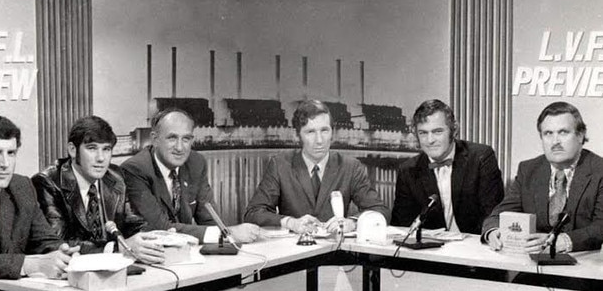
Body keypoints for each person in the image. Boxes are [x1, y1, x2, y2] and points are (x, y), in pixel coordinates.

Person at [0, 116, 79, 290]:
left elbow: (44, 240)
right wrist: (29, 265)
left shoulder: (21, 187)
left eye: (11, 153)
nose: (5, 164)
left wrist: (62, 254)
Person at [32, 116, 165, 264]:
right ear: (72, 150)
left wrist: (154, 238)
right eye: (92, 148)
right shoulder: (47, 182)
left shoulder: (116, 177)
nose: (101, 158)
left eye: (106, 149)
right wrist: (116, 249)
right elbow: (57, 244)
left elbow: (134, 224)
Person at [244, 99, 389, 234]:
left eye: (324, 131)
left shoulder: (350, 167)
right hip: (294, 254)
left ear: (332, 132)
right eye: (310, 132)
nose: (319, 140)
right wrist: (290, 223)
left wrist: (353, 222)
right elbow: (253, 213)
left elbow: (380, 210)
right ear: (297, 135)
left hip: (336, 254)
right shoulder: (280, 165)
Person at [121, 108, 260, 244]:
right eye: (172, 138)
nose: (180, 148)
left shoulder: (196, 163)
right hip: (150, 255)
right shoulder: (135, 169)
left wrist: (225, 236)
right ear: (155, 139)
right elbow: (160, 228)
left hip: (186, 253)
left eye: (186, 139)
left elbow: (210, 220)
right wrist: (227, 234)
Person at [483, 101, 603, 253]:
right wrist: (493, 231)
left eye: (563, 132)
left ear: (580, 136)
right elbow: (499, 215)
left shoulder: (600, 171)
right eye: (548, 133)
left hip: (586, 265)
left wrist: (562, 241)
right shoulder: (528, 170)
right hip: (535, 266)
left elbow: (600, 227)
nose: (555, 142)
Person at [390, 99, 504, 234]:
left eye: (437, 131)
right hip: (430, 250)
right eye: (423, 133)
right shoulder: (408, 170)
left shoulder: (481, 157)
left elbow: (492, 213)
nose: (430, 140)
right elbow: (401, 225)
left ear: (454, 130)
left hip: (474, 247)